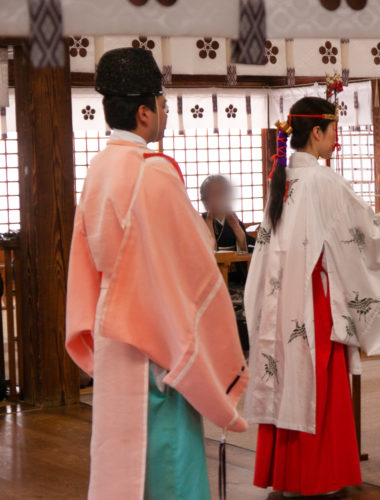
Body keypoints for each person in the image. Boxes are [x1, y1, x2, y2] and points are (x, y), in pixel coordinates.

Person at [65, 48, 249, 500]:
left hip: (113, 331)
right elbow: (195, 259)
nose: (166, 113)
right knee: (168, 456)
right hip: (156, 334)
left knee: (120, 455)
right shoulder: (153, 174)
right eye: (163, 105)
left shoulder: (98, 168)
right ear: (145, 112)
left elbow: (87, 258)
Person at [244, 96, 380, 496]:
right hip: (314, 302)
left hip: (278, 301)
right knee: (318, 383)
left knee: (284, 380)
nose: (336, 140)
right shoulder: (323, 180)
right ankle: (317, 477)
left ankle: (285, 475)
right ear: (316, 132)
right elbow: (363, 234)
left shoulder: (282, 181)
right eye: (333, 131)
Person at [200, 174, 254, 355]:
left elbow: (248, 247)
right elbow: (202, 251)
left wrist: (238, 231)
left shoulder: (233, 220)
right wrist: (208, 227)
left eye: (224, 193)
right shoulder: (200, 221)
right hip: (209, 282)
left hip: (235, 280)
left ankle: (243, 347)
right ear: (205, 201)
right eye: (216, 194)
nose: (221, 198)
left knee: (250, 299)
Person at [200, 174, 252, 252]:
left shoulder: (233, 220)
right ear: (205, 199)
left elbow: (247, 249)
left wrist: (236, 227)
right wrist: (209, 222)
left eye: (222, 193)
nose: (219, 198)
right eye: (214, 194)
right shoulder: (200, 222)